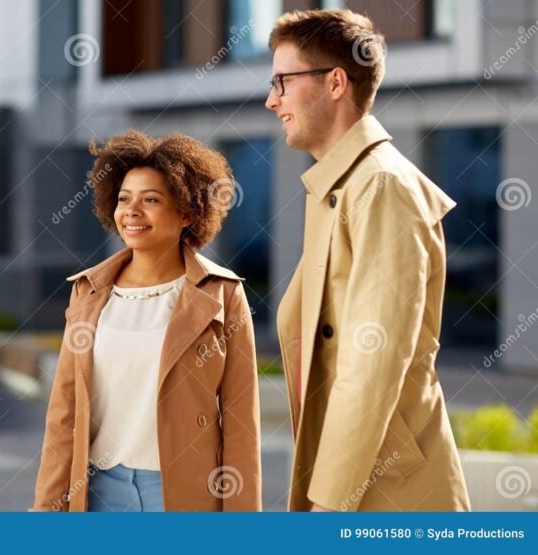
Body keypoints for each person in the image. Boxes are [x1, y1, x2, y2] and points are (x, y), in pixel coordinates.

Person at [266, 9, 470, 511]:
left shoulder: (380, 186)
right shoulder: (344, 185)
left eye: (282, 82)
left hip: (386, 494)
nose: (272, 100)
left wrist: (331, 501)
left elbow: (373, 357)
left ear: (336, 82)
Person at [33, 130, 261, 511]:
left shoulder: (223, 294)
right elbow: (63, 414)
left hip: (182, 493)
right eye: (124, 199)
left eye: (151, 200)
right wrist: (46, 509)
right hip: (97, 490)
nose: (132, 212)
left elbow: (241, 423)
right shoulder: (88, 291)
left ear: (186, 212)